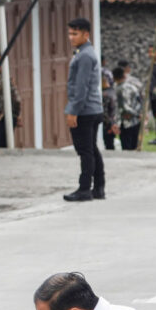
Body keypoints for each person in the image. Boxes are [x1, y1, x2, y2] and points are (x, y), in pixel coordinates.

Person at [63, 18, 104, 202]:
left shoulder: (85, 56)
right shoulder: (84, 53)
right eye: (70, 33)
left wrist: (73, 111)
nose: (71, 37)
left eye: (75, 34)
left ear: (86, 34)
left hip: (85, 110)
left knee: (85, 151)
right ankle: (99, 188)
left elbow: (81, 88)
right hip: (92, 108)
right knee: (92, 149)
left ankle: (85, 188)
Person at [0, 51, 22, 149]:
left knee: (4, 141)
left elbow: (17, 99)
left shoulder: (6, 80)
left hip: (6, 115)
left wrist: (18, 115)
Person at [113, 66, 142, 151]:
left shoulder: (119, 89)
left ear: (114, 78)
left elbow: (124, 107)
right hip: (136, 121)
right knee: (134, 146)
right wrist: (138, 114)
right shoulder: (133, 87)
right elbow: (140, 102)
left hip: (126, 121)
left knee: (127, 148)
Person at [101, 57, 118, 151]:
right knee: (109, 143)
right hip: (108, 123)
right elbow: (106, 112)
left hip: (110, 122)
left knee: (110, 143)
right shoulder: (106, 95)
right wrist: (111, 123)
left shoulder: (108, 93)